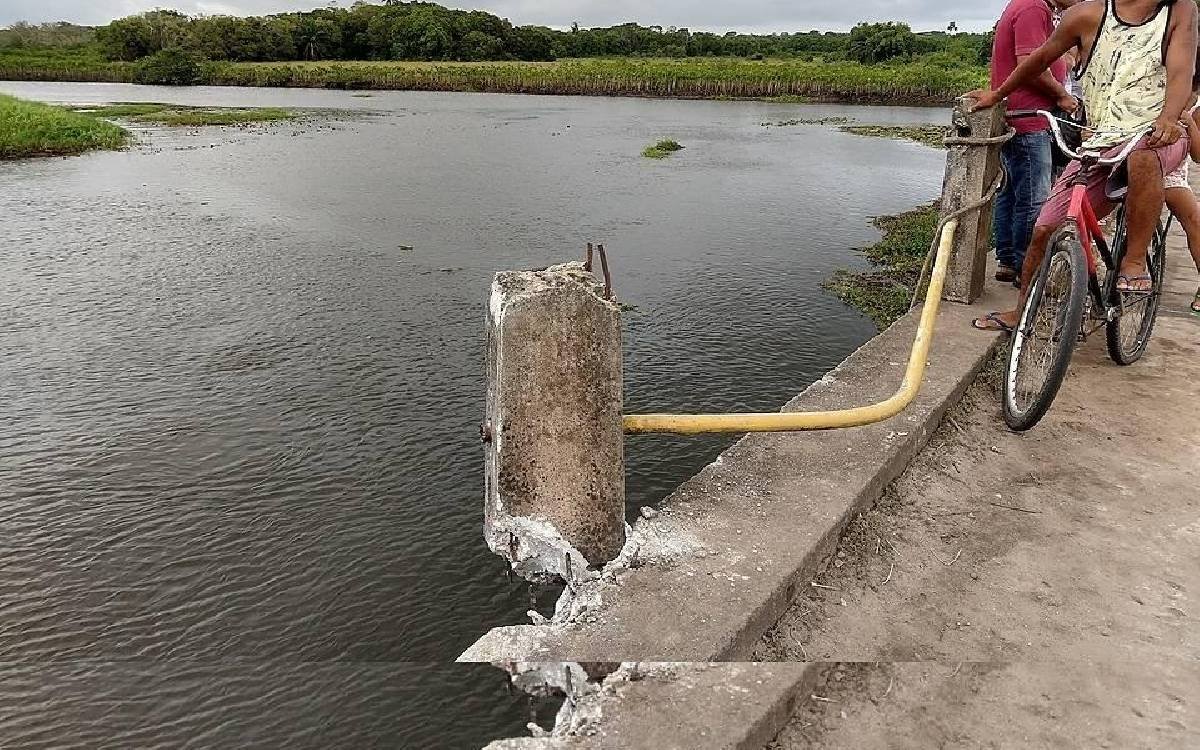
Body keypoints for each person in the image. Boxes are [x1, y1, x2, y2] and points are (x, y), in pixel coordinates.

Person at [969, 0, 1197, 333]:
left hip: (1159, 134)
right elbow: (1041, 57)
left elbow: (1181, 71)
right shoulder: (1087, 14)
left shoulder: (1179, 10)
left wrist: (1168, 117)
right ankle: (1023, 309)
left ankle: (1133, 262)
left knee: (1143, 156)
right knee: (1044, 229)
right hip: (1101, 139)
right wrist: (998, 94)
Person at [989, 0, 1082, 285]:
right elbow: (1030, 63)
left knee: (1013, 193)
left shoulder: (1032, 7)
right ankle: (1024, 266)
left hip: (1020, 116)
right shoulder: (1033, 8)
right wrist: (1062, 96)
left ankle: (1008, 259)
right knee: (1033, 199)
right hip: (1030, 120)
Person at [1165, 98, 1200, 314]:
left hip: (1172, 173)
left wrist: (1190, 122)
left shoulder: (1197, 109)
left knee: (1194, 219)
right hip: (1131, 164)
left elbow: (1198, 156)